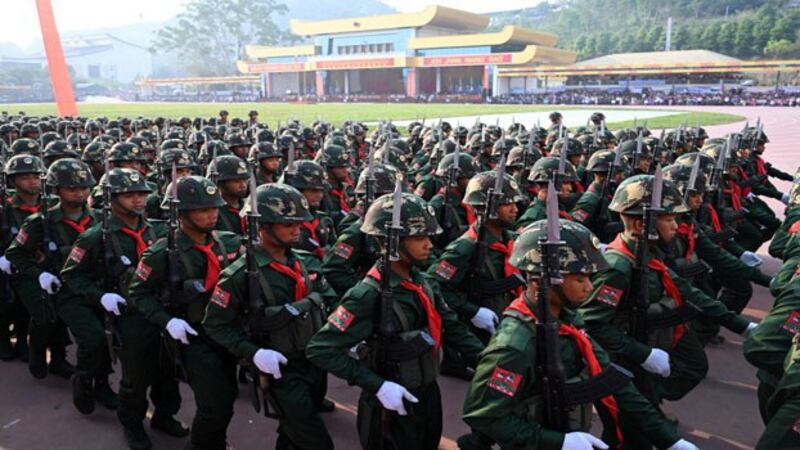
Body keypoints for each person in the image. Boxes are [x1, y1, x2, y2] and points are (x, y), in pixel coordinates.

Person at [462, 216, 696, 450]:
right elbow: (483, 415)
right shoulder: (515, 344)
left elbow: (614, 382)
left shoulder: (568, 320)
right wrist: (558, 442)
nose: (589, 287)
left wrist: (671, 441)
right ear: (539, 281)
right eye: (579, 279)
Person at [307, 190, 484, 449]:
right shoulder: (367, 294)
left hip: (427, 392)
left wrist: (486, 362)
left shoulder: (421, 282)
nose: (429, 245)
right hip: (387, 404)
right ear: (392, 242)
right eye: (419, 237)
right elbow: (320, 349)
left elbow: (452, 327)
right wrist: (377, 386)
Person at [203, 183, 337, 450]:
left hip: (313, 360)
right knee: (316, 441)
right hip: (279, 368)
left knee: (291, 434)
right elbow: (215, 325)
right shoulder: (239, 275)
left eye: (299, 222)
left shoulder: (305, 261)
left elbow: (329, 298)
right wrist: (253, 354)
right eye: (286, 223)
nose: (296, 228)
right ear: (262, 226)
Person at [128, 175, 242, 450]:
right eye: (203, 209)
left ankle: (214, 441)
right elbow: (138, 293)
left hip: (225, 331)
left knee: (227, 397)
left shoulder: (227, 243)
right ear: (181, 213)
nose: (212, 214)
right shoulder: (162, 253)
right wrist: (167, 322)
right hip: (192, 336)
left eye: (214, 207)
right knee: (214, 404)